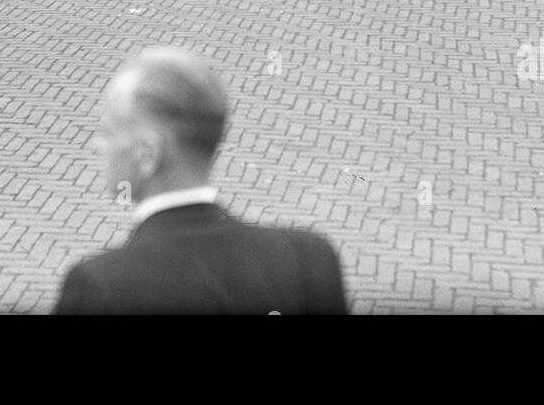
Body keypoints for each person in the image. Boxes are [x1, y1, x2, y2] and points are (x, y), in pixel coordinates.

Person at [53, 48, 348, 315]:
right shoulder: (309, 261)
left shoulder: (100, 286)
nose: (98, 145)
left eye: (109, 133)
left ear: (147, 155)